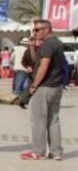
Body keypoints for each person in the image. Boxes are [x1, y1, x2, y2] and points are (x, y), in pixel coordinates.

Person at [21, 19, 66, 161]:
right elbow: (37, 61)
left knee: (38, 120)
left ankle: (38, 152)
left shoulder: (48, 44)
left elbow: (43, 66)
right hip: (56, 86)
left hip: (45, 86)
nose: (35, 32)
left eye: (37, 30)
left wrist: (34, 84)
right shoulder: (57, 43)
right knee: (54, 120)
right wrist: (33, 46)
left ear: (47, 29)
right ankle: (56, 152)